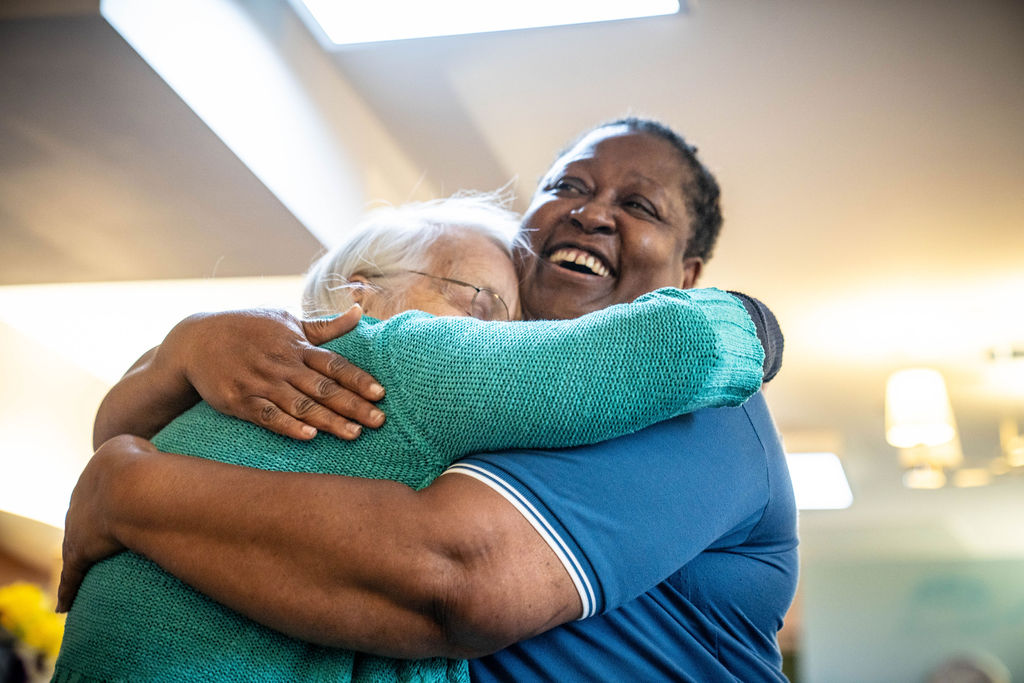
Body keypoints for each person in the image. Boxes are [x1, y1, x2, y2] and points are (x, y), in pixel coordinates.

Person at [59, 117, 797, 680]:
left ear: (688, 274)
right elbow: (155, 418)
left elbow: (456, 580)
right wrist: (190, 342)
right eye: (566, 187)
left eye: (640, 204)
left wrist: (128, 488)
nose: (591, 212)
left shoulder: (700, 408)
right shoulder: (411, 373)